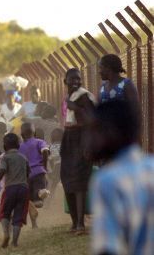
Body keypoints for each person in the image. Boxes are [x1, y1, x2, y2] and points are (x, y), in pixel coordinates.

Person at [88, 100, 151, 255]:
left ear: (111, 132)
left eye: (94, 130)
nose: (89, 138)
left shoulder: (107, 180)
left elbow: (108, 248)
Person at [61, 68, 95, 235]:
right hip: (69, 139)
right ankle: (74, 223)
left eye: (78, 79)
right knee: (67, 180)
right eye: (72, 79)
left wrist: (76, 108)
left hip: (81, 140)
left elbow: (92, 120)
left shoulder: (84, 96)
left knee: (79, 183)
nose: (76, 82)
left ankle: (81, 224)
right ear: (65, 81)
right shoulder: (69, 97)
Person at [0, 133, 30, 248]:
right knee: (18, 216)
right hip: (23, 189)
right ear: (18, 145)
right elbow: (28, 173)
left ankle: (6, 234)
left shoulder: (5, 158)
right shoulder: (23, 157)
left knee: (4, 213)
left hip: (10, 188)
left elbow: (1, 171)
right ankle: (14, 242)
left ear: (4, 146)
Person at [19, 122, 49, 228]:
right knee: (40, 191)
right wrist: (44, 166)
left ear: (21, 134)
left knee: (30, 202)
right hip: (39, 172)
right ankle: (41, 195)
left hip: (26, 175)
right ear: (34, 132)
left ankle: (34, 224)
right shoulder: (39, 142)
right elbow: (45, 151)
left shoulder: (20, 146)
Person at [47, 128, 63, 205]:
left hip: (55, 168)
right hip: (64, 167)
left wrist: (50, 171)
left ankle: (49, 201)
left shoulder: (50, 147)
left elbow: (49, 159)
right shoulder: (64, 145)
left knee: (53, 186)